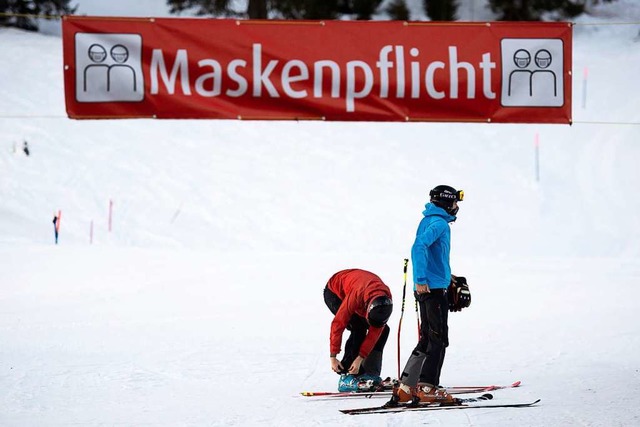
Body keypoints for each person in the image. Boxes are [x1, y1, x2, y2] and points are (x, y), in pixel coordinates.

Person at [388, 185, 469, 406]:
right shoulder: (440, 223)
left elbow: (432, 254)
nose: (456, 207)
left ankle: (406, 388)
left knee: (428, 337)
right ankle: (427, 387)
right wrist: (422, 279)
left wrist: (447, 277)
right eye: (454, 203)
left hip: (432, 286)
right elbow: (419, 247)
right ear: (446, 203)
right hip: (431, 290)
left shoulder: (429, 220)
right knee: (438, 338)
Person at [324, 268, 393, 392]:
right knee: (358, 327)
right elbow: (337, 324)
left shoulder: (385, 300)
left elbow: (375, 332)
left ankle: (370, 373)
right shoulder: (357, 295)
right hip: (335, 291)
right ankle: (346, 376)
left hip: (363, 292)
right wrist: (333, 356)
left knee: (383, 330)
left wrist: (360, 358)